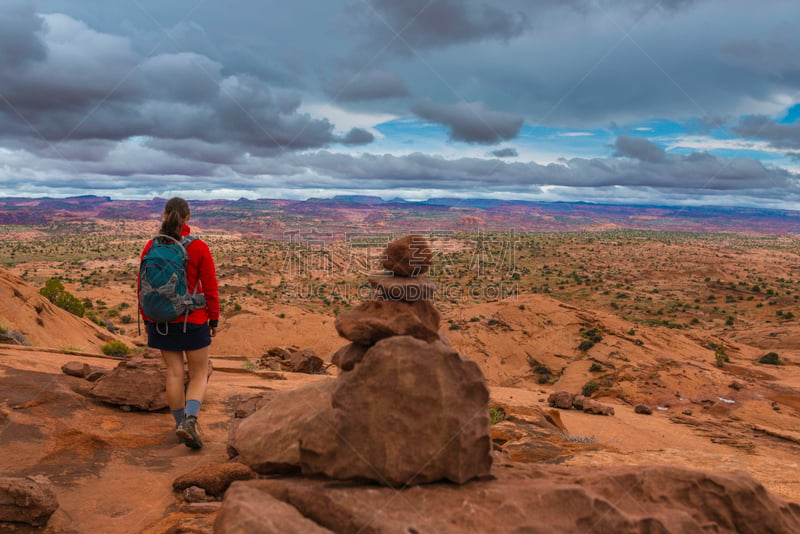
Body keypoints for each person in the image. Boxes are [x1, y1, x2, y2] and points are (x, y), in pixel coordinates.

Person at [138, 197, 220, 449]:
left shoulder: (151, 245)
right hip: (192, 320)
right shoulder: (198, 247)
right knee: (197, 375)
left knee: (173, 373)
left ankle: (178, 424)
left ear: (164, 215)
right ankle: (189, 421)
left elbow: (142, 285)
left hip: (161, 320)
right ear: (188, 218)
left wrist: (147, 317)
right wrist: (214, 318)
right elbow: (210, 287)